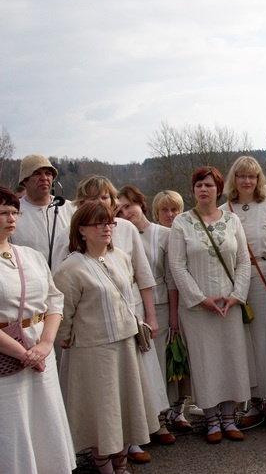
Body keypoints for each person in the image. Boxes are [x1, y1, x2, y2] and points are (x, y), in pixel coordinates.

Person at [52, 175, 168, 464]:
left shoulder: (120, 255)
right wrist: (65, 336)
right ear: (81, 229)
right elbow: (62, 309)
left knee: (125, 406)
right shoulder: (70, 267)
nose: (106, 228)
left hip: (124, 341)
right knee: (102, 411)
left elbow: (137, 283)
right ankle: (104, 465)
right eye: (98, 224)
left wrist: (144, 320)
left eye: (109, 223)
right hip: (93, 347)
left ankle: (122, 462)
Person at [167, 166, 253, 444]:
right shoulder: (181, 222)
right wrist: (199, 298)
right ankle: (212, 420)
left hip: (229, 305)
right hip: (197, 309)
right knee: (206, 362)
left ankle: (229, 418)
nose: (203, 189)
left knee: (230, 359)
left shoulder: (232, 220)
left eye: (209, 185)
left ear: (219, 190)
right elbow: (177, 266)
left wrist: (236, 295)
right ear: (193, 190)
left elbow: (244, 261)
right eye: (199, 185)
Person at [0, 186, 76, 473]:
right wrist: (23, 354)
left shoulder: (29, 256)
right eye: (3, 213)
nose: (11, 218)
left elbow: (54, 300)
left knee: (46, 424)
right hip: (8, 359)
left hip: (41, 354)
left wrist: (44, 345)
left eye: (14, 212)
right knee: (13, 427)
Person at [117, 185, 193, 440]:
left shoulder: (163, 235)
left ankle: (175, 411)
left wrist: (173, 317)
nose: (125, 212)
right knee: (150, 364)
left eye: (129, 206)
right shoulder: (119, 235)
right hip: (133, 305)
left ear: (141, 204)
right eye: (120, 209)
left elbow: (172, 277)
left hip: (162, 304)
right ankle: (154, 419)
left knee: (171, 358)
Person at [221, 156, 266, 429]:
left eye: (252, 176)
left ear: (259, 179)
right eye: (241, 176)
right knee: (241, 342)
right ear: (234, 179)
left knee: (264, 340)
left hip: (263, 275)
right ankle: (252, 401)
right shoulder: (222, 211)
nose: (246, 181)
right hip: (231, 279)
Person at [11, 154, 71, 268]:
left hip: (66, 276)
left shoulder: (69, 208)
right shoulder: (12, 213)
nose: (44, 178)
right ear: (25, 180)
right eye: (37, 173)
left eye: (48, 173)